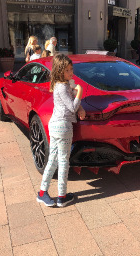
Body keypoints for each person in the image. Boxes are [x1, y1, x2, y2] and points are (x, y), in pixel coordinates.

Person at [36, 53, 86, 207]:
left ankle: (42, 193)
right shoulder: (62, 87)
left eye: (71, 69)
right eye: (67, 70)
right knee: (63, 162)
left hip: (56, 126)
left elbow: (71, 104)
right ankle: (61, 197)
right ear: (59, 71)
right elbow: (71, 107)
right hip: (63, 126)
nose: (71, 73)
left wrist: (81, 108)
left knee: (53, 160)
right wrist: (80, 91)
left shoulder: (62, 85)